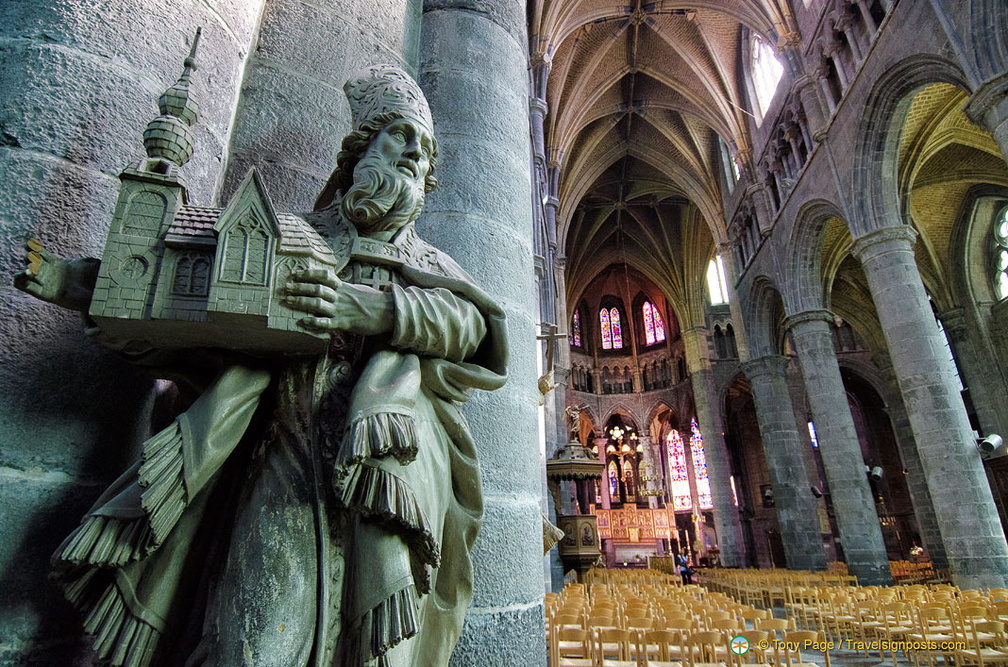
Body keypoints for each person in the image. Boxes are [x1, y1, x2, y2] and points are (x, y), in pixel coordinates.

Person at [15, 64, 507, 667]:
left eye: (424, 150)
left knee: (379, 650)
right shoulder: (294, 235)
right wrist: (73, 282)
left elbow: (473, 325)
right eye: (398, 135)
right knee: (249, 643)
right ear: (359, 151)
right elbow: (178, 287)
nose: (412, 154)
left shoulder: (428, 262)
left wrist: (371, 310)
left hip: (386, 477)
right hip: (282, 456)